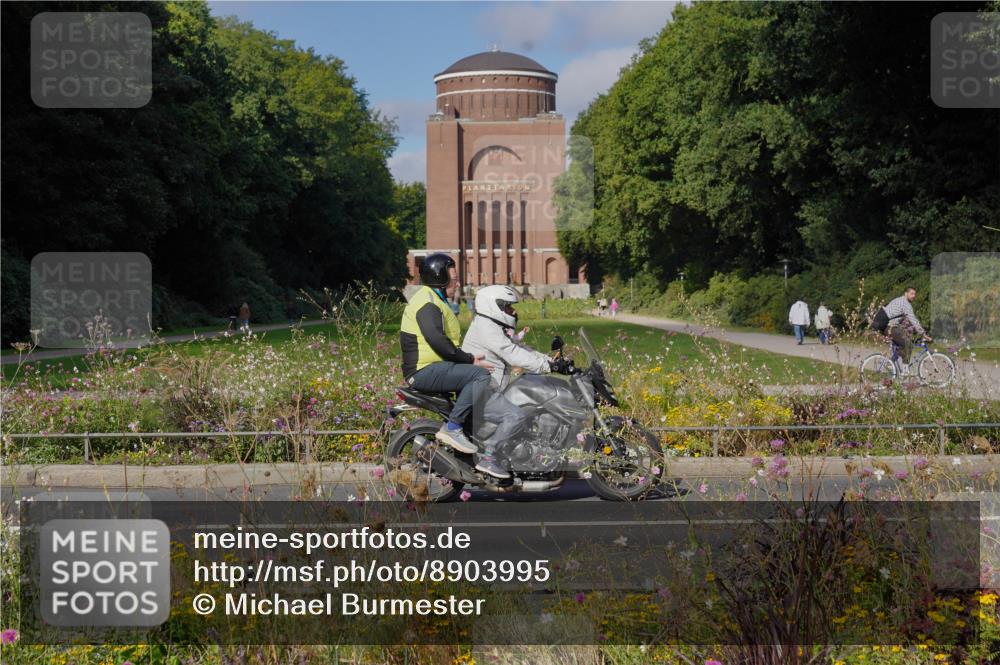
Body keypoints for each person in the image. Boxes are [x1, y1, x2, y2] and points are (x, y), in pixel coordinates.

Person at [462, 285, 562, 479]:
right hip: (483, 391)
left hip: (490, 388)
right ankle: (489, 457)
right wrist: (547, 367)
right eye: (508, 307)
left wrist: (550, 361)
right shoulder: (486, 327)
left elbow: (518, 347)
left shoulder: (491, 325)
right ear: (494, 306)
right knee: (516, 416)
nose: (513, 311)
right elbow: (512, 354)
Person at [400, 253, 493, 455]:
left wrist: (470, 358)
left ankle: (476, 444)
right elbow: (437, 341)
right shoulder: (427, 303)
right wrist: (469, 360)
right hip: (423, 371)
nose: (458, 284)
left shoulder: (434, 299)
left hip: (433, 367)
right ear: (440, 278)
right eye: (455, 279)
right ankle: (453, 428)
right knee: (480, 375)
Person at [872, 286, 931, 369]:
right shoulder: (905, 304)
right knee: (908, 344)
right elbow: (913, 319)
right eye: (912, 294)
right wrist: (923, 334)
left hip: (886, 325)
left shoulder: (899, 300)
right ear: (906, 293)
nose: (914, 296)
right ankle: (905, 370)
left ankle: (890, 363)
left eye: (914, 294)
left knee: (902, 344)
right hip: (888, 326)